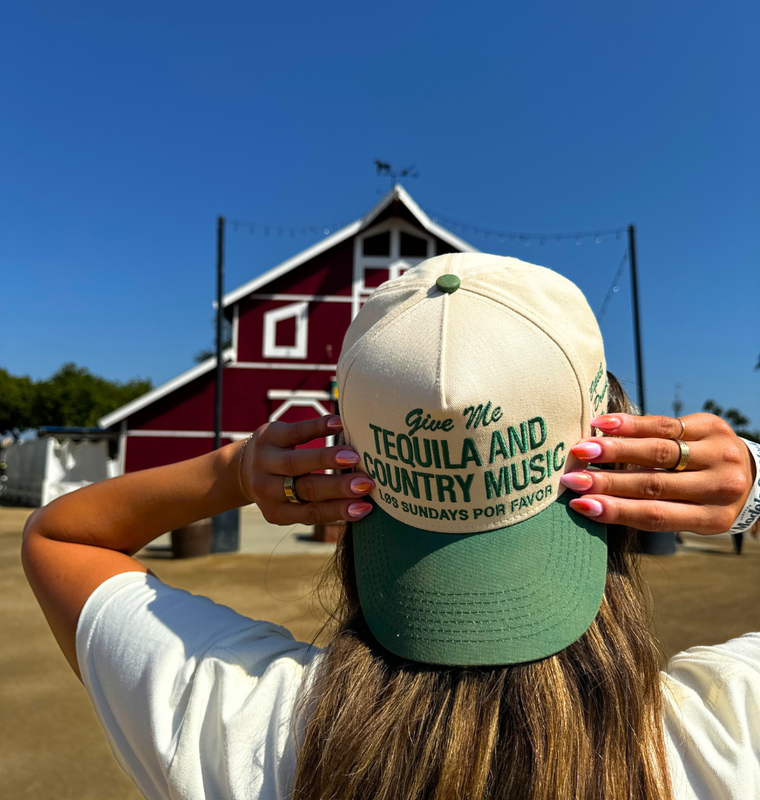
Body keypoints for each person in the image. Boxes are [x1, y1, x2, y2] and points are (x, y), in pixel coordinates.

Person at [22, 254, 760, 800]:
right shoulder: (723, 738)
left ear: (352, 471)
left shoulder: (236, 725)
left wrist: (238, 471)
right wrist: (753, 480)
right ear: (618, 442)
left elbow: (60, 537)